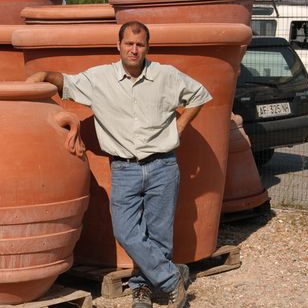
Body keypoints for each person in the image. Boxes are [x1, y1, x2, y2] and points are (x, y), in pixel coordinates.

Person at [26, 21, 212, 308]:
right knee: (126, 231)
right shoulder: (100, 79)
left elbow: (199, 95)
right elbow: (66, 82)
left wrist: (178, 129)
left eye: (139, 44)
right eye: (129, 44)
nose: (134, 49)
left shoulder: (166, 76)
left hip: (163, 165)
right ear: (119, 46)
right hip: (124, 168)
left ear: (147, 47)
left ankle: (143, 291)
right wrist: (43, 75)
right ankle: (171, 278)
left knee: (158, 233)